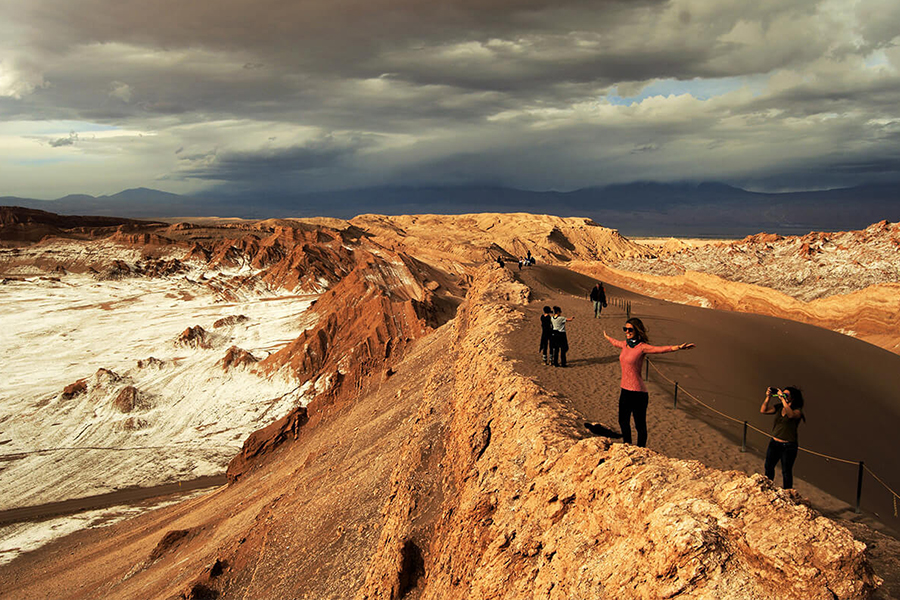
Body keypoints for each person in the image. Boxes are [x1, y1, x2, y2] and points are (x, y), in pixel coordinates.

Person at [603, 318, 694, 447]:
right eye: (625, 329)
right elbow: (615, 342)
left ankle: (641, 449)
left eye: (630, 329)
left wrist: (678, 347)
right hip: (625, 390)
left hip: (638, 392)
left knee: (639, 424)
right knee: (623, 421)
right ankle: (627, 445)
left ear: (637, 330)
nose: (627, 332)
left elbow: (660, 349)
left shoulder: (642, 347)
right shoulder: (625, 344)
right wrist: (607, 337)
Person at [760, 386, 805, 489]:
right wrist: (768, 397)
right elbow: (763, 410)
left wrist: (783, 401)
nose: (783, 396)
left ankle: (788, 492)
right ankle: (768, 487)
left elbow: (791, 415)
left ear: (792, 398)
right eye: (783, 394)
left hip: (788, 446)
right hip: (774, 443)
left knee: (786, 471)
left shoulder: (798, 411)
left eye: (786, 395)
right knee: (769, 466)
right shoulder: (779, 407)